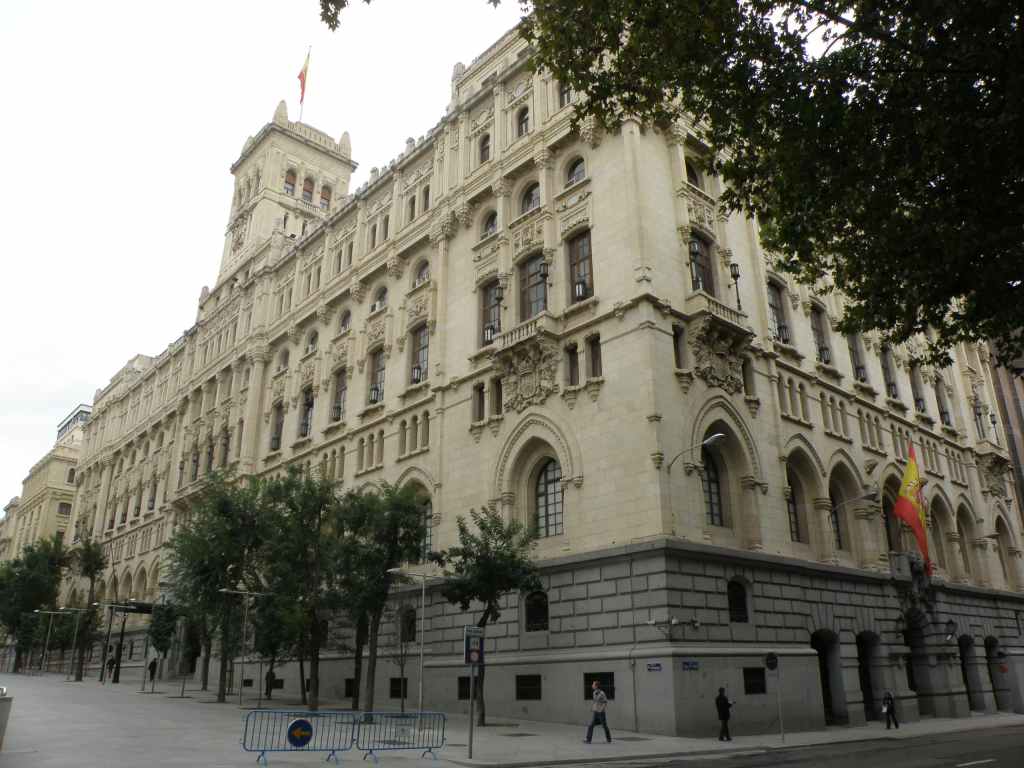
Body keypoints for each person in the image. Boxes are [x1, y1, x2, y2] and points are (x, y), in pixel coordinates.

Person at [583, 679, 612, 744]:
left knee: (604, 726)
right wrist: (593, 708)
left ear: (596, 686)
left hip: (601, 713)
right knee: (590, 725)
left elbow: (605, 702)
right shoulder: (594, 693)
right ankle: (588, 740)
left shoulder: (602, 693)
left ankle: (609, 739)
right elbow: (595, 702)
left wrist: (601, 709)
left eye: (593, 684)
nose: (592, 685)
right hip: (596, 713)